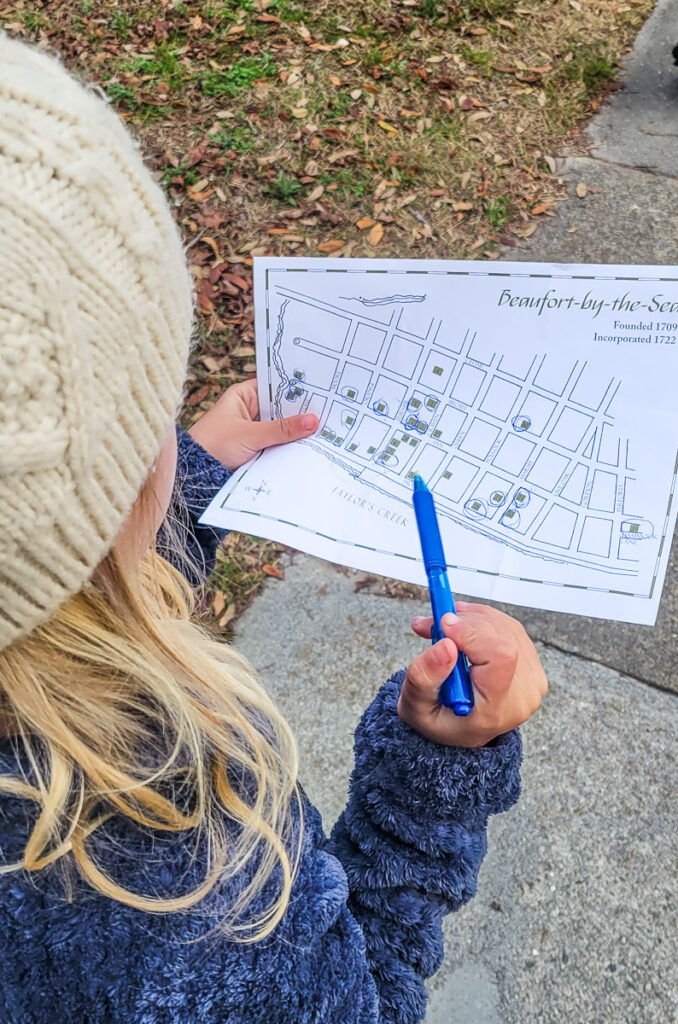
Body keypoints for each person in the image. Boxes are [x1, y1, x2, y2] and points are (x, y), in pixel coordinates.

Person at [0, 35, 548, 1024]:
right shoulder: (170, 871)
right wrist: (435, 773)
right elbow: (358, 1002)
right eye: (147, 422)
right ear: (126, 486)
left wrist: (182, 490)